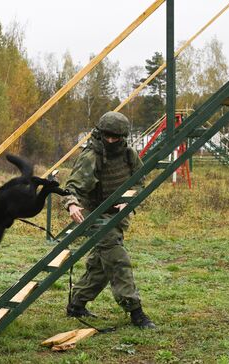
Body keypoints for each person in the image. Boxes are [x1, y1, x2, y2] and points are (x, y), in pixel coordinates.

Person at [62, 111, 156, 329]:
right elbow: (73, 186)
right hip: (92, 214)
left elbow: (139, 181)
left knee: (100, 265)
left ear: (122, 136)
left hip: (116, 216)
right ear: (100, 133)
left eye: (116, 137)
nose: (111, 140)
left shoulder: (129, 154)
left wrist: (129, 199)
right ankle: (136, 312)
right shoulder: (91, 156)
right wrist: (72, 204)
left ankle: (76, 304)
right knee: (117, 259)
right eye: (107, 136)